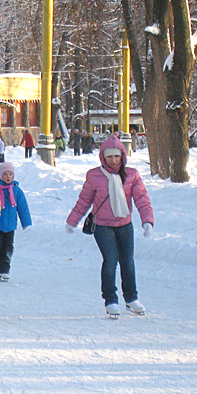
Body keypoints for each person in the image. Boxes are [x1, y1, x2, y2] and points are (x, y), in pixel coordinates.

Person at [65, 135, 154, 318]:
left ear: (122, 156)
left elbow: (142, 199)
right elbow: (85, 200)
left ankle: (131, 298)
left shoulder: (131, 175)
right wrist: (72, 220)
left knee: (127, 262)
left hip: (124, 225)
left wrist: (147, 220)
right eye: (109, 156)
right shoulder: (94, 175)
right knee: (111, 260)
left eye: (116, 156)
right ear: (103, 157)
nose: (113, 160)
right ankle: (111, 300)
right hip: (103, 226)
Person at [0, 162, 32, 282]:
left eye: (10, 174)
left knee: (8, 248)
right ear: (0, 175)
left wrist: (26, 223)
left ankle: (4, 270)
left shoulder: (16, 190)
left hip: (10, 226)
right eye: (5, 174)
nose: (8, 177)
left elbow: (23, 207)